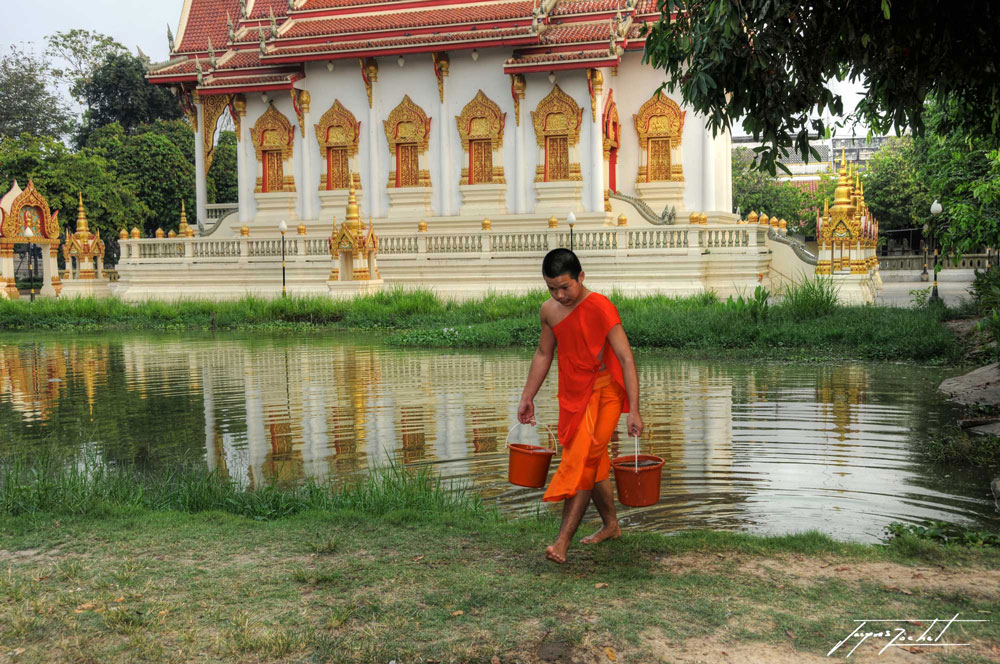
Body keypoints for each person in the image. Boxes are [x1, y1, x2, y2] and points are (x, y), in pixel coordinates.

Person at [517, 248, 643, 564]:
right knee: (593, 461)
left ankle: (562, 543)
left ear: (581, 277)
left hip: (606, 393)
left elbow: (626, 358)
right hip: (573, 396)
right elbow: (543, 354)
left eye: (565, 287)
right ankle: (611, 525)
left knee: (583, 460)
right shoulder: (549, 311)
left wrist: (635, 409)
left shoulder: (600, 307)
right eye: (552, 288)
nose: (559, 295)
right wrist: (527, 396)